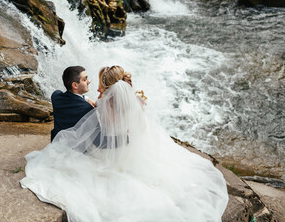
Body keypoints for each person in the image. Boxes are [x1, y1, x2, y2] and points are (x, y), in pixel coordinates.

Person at [21, 65, 229, 222]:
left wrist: (98, 108)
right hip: (134, 146)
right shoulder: (133, 103)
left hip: (117, 147)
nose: (96, 87)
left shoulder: (97, 107)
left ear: (107, 89)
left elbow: (102, 139)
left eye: (101, 86)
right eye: (87, 79)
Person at [51, 66, 96, 141]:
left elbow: (58, 92)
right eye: (85, 80)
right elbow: (95, 139)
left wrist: (86, 98)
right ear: (75, 85)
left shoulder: (56, 97)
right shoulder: (87, 108)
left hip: (57, 144)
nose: (89, 82)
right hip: (75, 150)